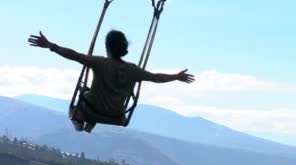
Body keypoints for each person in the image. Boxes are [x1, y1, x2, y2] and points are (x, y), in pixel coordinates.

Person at [28, 30, 194, 132]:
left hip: (91, 110)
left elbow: (74, 55)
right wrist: (176, 77)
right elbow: (156, 77)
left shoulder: (100, 63)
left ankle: (80, 124)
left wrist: (51, 45)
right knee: (88, 93)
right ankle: (90, 123)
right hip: (117, 115)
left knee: (79, 98)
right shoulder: (133, 70)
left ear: (107, 46)